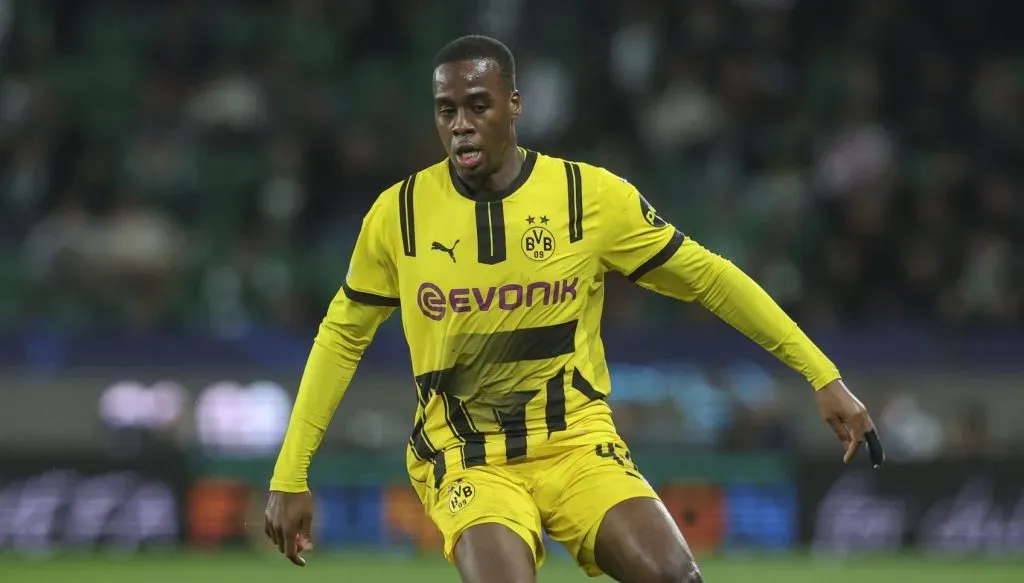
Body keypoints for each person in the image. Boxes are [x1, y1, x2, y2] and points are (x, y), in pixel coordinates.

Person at [264, 35, 884, 583]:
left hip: (577, 444)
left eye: (478, 105)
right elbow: (340, 339)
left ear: (515, 105)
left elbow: (709, 279)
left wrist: (821, 374)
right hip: (466, 455)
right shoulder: (396, 216)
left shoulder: (588, 197)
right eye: (446, 110)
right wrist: (291, 472)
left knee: (676, 576)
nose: (460, 124)